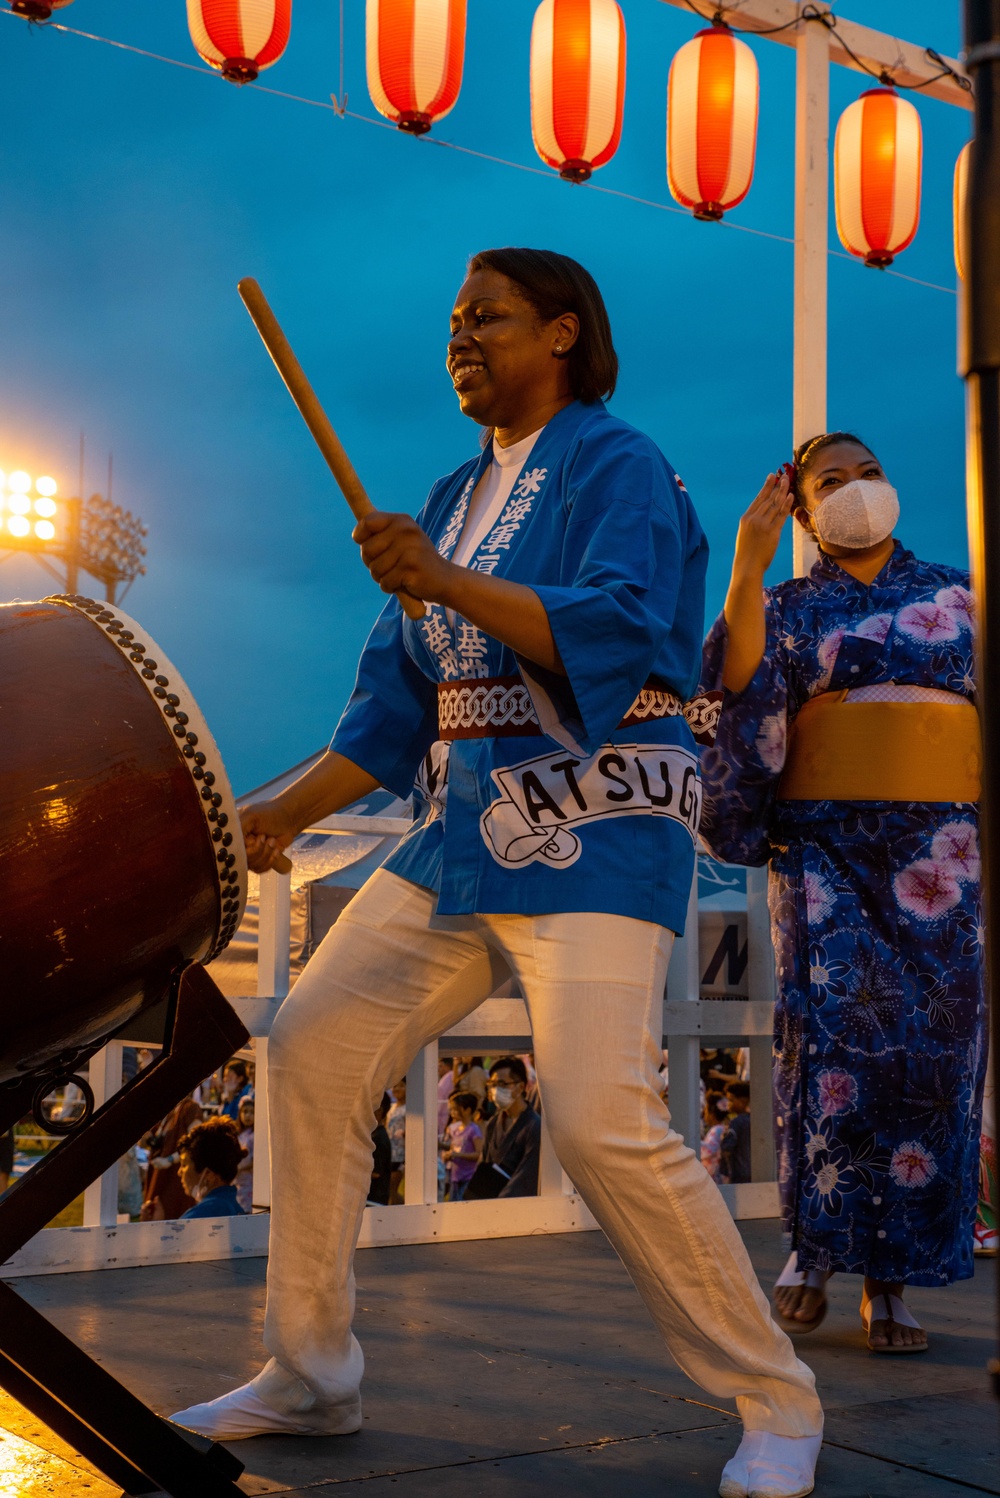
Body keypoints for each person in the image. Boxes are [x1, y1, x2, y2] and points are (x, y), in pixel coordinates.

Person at [171, 247, 822, 1498]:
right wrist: (261, 816)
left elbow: (627, 627)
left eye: (490, 317)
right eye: (454, 321)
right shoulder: (454, 494)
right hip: (458, 829)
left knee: (598, 1117)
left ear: (565, 333)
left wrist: (442, 576)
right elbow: (387, 716)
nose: (461, 336)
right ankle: (310, 1370)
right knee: (310, 1046)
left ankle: (773, 1395)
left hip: (595, 824)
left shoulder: (615, 462)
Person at [700, 431, 987, 1356]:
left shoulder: (960, 593)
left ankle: (894, 1280)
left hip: (944, 856)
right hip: (827, 854)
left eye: (869, 473)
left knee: (934, 1061)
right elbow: (734, 694)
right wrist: (748, 561)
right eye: (833, 481)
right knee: (831, 1043)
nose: (858, 490)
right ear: (803, 505)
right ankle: (814, 1253)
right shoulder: (786, 605)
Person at [465, 1058, 540, 1199]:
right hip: (488, 1201)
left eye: (502, 1084)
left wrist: (501, 1203)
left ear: (520, 1087)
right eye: (492, 1084)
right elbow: (484, 1163)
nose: (495, 1090)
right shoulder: (494, 1123)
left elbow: (526, 1176)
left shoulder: (534, 1126)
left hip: (516, 1204)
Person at [140, 1092, 202, 1221]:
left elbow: (195, 1142)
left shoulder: (191, 1108)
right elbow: (146, 1141)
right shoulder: (168, 1112)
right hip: (159, 1178)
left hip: (176, 1180)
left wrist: (170, 1160)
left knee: (173, 1225)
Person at [176, 1117, 246, 1219]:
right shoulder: (237, 1210)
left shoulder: (198, 1217)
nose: (179, 1172)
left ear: (208, 1174)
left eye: (184, 1165)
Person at [442, 1090, 483, 1200]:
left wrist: (458, 1155)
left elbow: (478, 1154)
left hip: (468, 1176)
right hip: (455, 1176)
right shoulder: (456, 1130)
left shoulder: (473, 1130)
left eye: (456, 1109)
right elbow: (453, 1147)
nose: (453, 1112)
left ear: (467, 1110)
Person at [720, 1081, 752, 1186]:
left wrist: (725, 1169)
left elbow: (727, 1147)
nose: (728, 1104)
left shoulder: (736, 1123)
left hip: (739, 1175)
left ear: (743, 1100)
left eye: (731, 1100)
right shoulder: (754, 1120)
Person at [368, 1094, 393, 1207]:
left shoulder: (379, 1138)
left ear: (379, 1110)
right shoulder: (375, 1136)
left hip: (375, 1199)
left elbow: (376, 1172)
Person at [385, 1079, 406, 1205]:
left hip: (400, 1154)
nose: (397, 1089)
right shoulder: (391, 1107)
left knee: (392, 1188)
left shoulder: (408, 1108)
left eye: (401, 1086)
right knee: (390, 1189)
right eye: (394, 1086)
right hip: (390, 1152)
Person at [701, 1092, 729, 1182]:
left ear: (711, 1113)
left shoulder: (716, 1130)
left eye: (705, 1111)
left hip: (713, 1173)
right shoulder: (722, 1128)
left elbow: (709, 1150)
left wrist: (694, 1142)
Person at [236, 1096, 255, 1214]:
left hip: (249, 1177)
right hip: (238, 1178)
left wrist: (241, 1168)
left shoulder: (254, 1135)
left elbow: (255, 1160)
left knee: (247, 1208)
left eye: (252, 1112)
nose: (248, 1115)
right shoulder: (238, 1134)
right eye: (245, 1112)